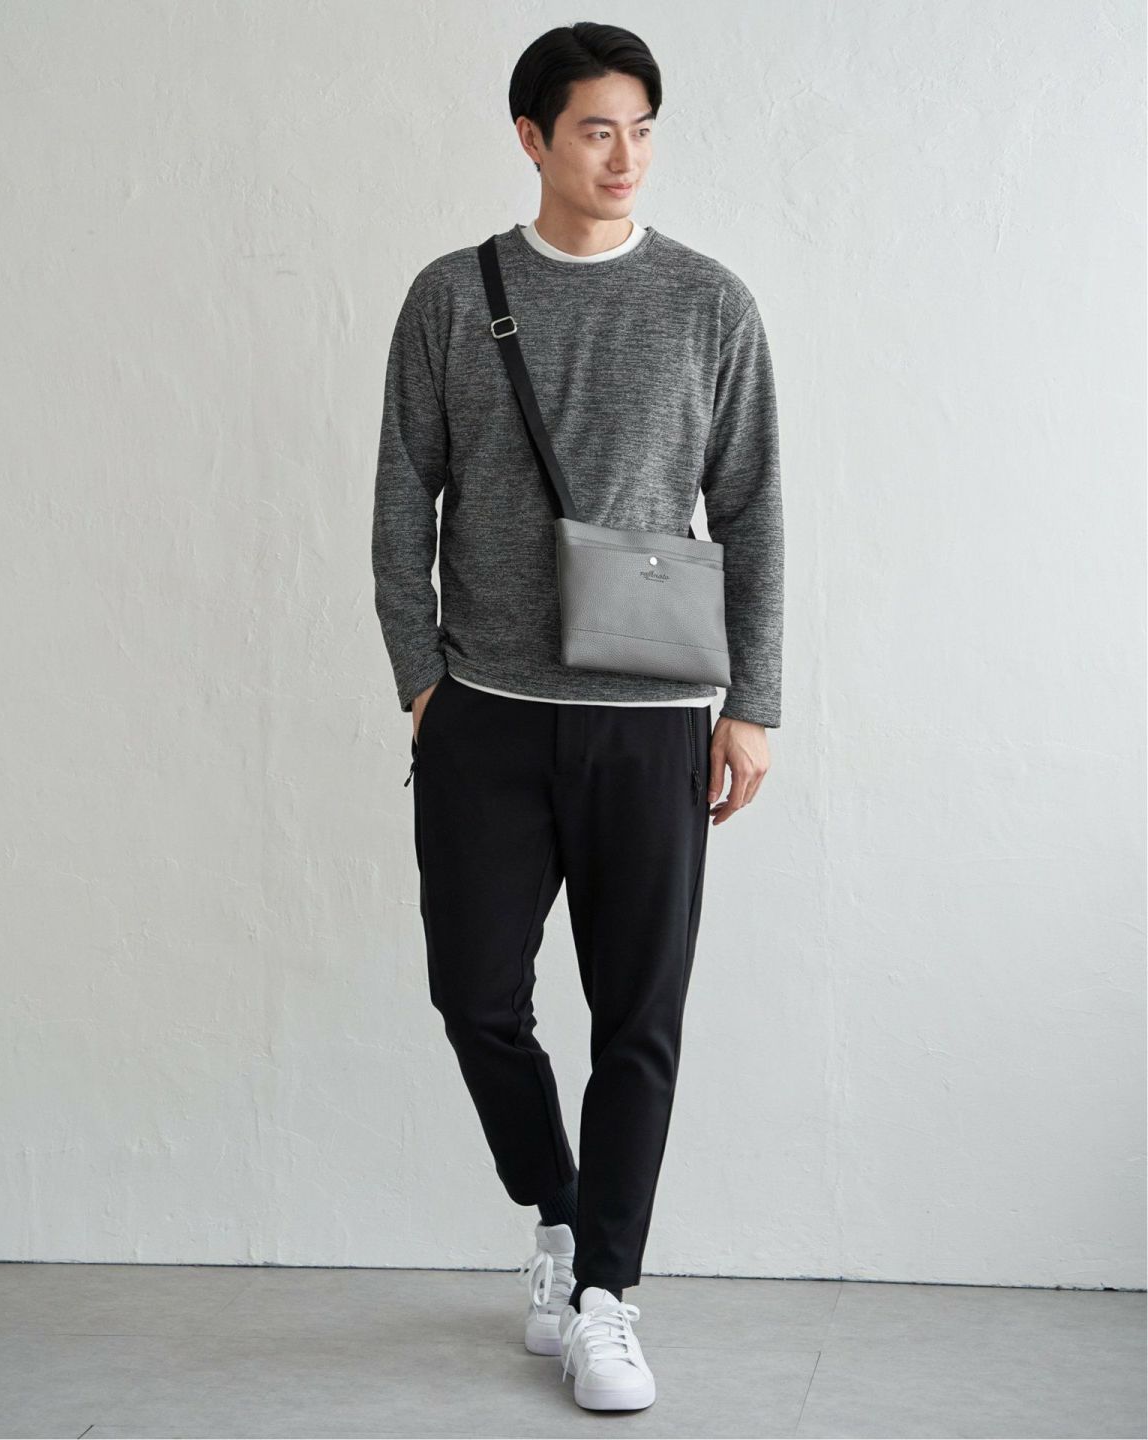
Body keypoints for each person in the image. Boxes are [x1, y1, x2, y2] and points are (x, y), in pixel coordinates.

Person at [371, 20, 783, 1414]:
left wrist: (753, 705)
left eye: (643, 129)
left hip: (655, 720)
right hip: (484, 712)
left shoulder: (708, 302)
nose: (625, 157)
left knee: (639, 1016)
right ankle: (558, 1210)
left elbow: (752, 509)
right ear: (533, 137)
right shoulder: (452, 296)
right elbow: (401, 495)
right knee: (476, 997)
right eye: (597, 129)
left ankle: (608, 1293)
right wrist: (420, 677)